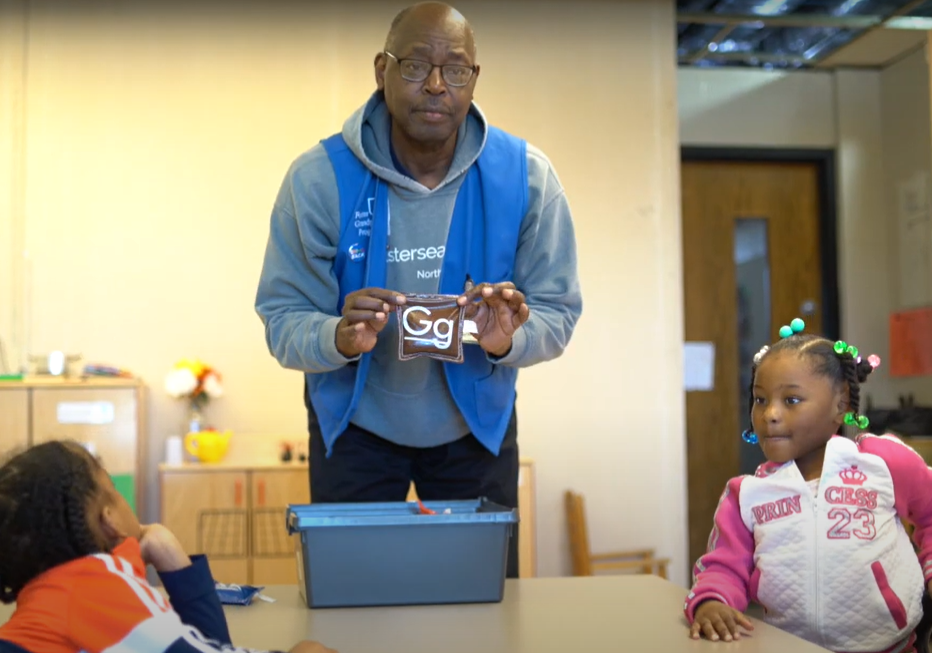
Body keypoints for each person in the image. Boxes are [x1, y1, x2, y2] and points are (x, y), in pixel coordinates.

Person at [254, 2, 582, 578]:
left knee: (479, 609)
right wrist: (337, 335)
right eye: (414, 66)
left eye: (455, 69)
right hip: (352, 430)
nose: (435, 85)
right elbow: (282, 318)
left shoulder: (527, 177)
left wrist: (507, 339)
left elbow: (557, 310)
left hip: (475, 428)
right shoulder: (317, 178)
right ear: (380, 69)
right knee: (350, 604)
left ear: (474, 79)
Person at [684, 318, 932, 653]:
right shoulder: (747, 495)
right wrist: (711, 601)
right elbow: (723, 567)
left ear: (840, 403)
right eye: (760, 400)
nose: (770, 414)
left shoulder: (883, 462)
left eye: (791, 400)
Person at [0, 440, 335, 653]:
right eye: (115, 490)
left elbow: (209, 646)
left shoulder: (53, 592)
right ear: (110, 520)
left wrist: (173, 561)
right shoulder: (95, 584)